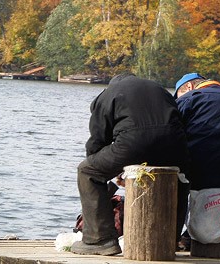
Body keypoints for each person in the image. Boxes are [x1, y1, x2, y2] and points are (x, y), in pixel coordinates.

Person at [71, 73, 190, 256]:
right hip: (175, 145)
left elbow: (97, 141)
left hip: (132, 143)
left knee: (87, 171)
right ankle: (170, 239)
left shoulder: (109, 94)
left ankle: (99, 239)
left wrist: (108, 168)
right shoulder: (159, 88)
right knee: (178, 176)